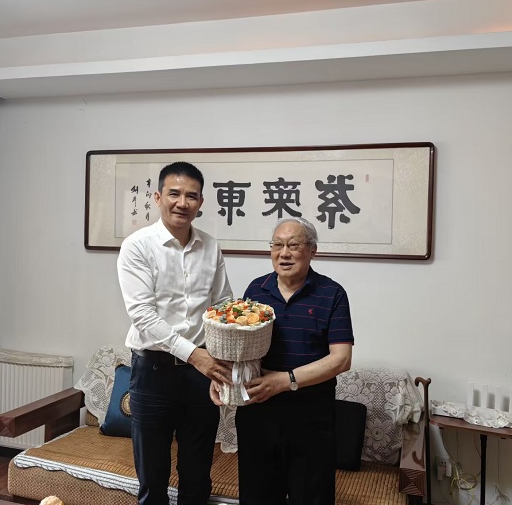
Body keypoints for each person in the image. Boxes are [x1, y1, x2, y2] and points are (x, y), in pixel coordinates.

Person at [212, 217, 354, 505]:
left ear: (312, 250)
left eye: (293, 245)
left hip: (311, 414)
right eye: (277, 245)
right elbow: (241, 348)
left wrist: (285, 380)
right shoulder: (256, 290)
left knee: (311, 497)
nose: (284, 253)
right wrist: (223, 377)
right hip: (258, 412)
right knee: (257, 496)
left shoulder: (332, 293)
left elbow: (341, 359)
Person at [117, 161, 234, 505]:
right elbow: (143, 316)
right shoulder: (138, 246)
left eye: (191, 196)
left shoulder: (210, 246)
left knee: (197, 475)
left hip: (201, 376)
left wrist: (222, 359)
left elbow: (222, 305)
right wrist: (196, 355)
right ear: (158, 198)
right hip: (154, 372)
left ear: (201, 202)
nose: (182, 203)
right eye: (174, 194)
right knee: (153, 478)